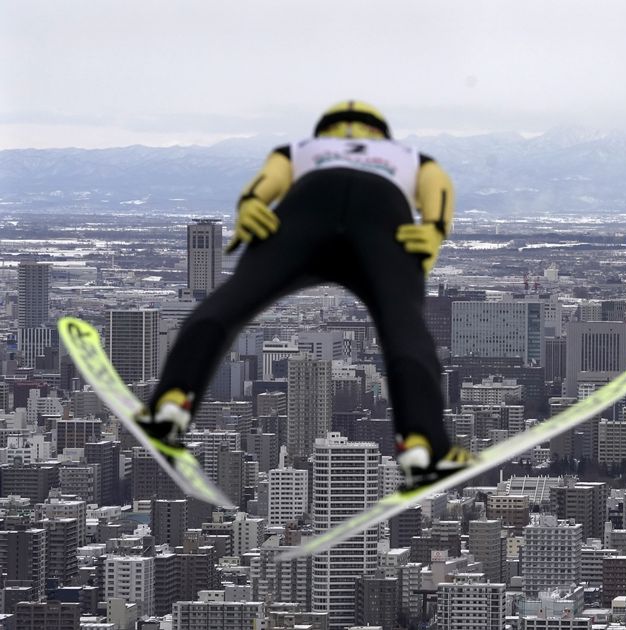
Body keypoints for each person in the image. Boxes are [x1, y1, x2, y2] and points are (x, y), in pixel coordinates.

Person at [137, 100, 470, 484]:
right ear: (379, 131)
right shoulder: (406, 156)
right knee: (404, 326)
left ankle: (173, 400)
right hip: (382, 215)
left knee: (232, 300)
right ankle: (421, 442)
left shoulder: (302, 151)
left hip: (306, 209)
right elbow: (437, 185)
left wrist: (252, 204)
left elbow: (269, 180)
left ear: (324, 130)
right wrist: (434, 226)